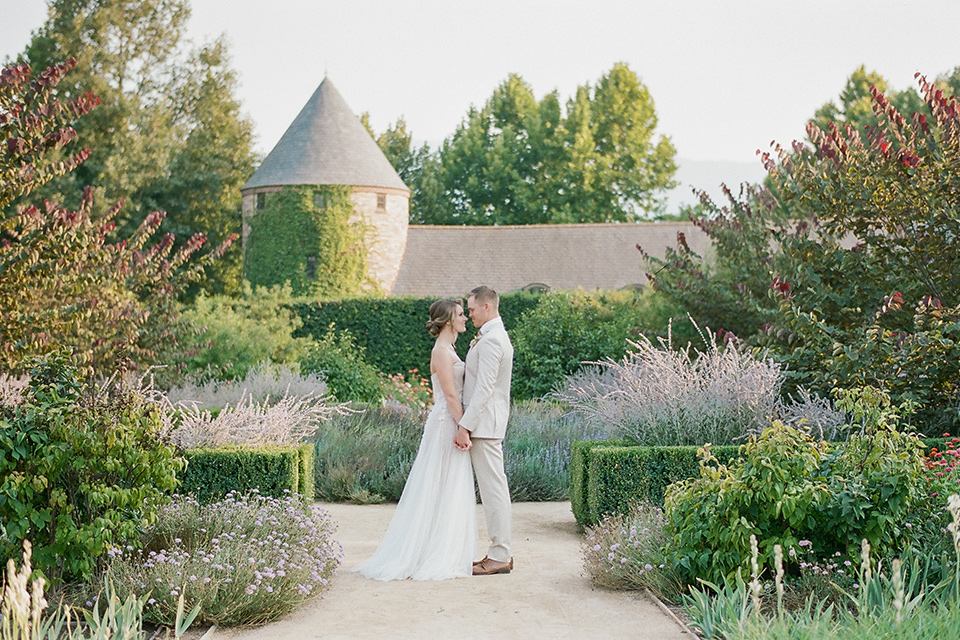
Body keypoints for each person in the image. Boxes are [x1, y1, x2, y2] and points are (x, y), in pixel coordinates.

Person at [353, 299, 477, 580]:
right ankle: (430, 553)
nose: (465, 319)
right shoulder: (442, 352)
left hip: (450, 422)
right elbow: (450, 396)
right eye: (460, 315)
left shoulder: (451, 349)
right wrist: (463, 428)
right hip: (447, 424)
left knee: (448, 487)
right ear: (447, 321)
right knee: (440, 485)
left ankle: (442, 547)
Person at [456, 285, 515, 576]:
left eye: (472, 309)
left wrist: (464, 425)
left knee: (494, 491)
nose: (470, 314)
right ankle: (497, 552)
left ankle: (500, 555)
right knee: (493, 489)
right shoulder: (491, 337)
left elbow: (484, 390)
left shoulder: (493, 341)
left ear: (487, 307)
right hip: (484, 425)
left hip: (485, 426)